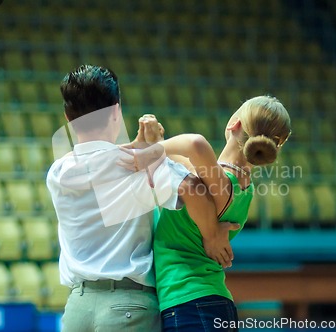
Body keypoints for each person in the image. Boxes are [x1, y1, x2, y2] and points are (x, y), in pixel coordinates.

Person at [46, 64, 236, 332]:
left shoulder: (59, 172)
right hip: (129, 308)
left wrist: (137, 146)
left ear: (68, 117)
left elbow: (95, 157)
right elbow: (194, 188)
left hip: (78, 309)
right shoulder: (140, 166)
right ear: (116, 112)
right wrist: (212, 235)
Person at [123, 96, 291, 331]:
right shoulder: (243, 186)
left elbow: (196, 145)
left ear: (235, 124)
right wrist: (159, 144)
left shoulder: (221, 182)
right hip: (210, 303)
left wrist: (153, 150)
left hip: (189, 303)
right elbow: (186, 165)